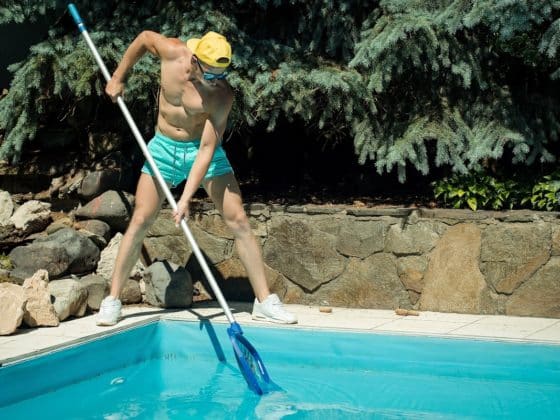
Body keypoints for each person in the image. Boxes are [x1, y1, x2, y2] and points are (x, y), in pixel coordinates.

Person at [96, 30, 297, 326]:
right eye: (210, 73)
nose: (215, 80)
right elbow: (142, 39)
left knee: (239, 219)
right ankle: (112, 300)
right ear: (194, 59)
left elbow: (206, 149)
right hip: (163, 148)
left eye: (221, 75)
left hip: (202, 150)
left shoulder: (222, 95)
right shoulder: (171, 52)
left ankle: (264, 301)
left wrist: (186, 197)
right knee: (141, 219)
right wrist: (119, 76)